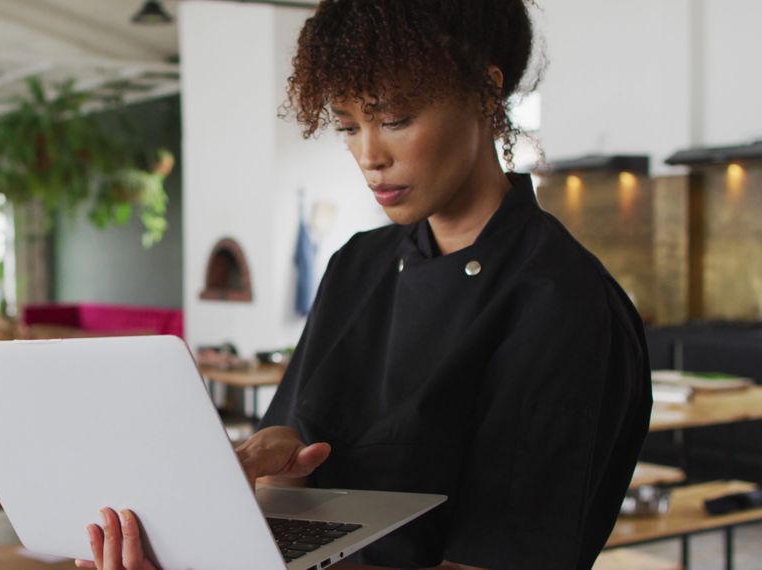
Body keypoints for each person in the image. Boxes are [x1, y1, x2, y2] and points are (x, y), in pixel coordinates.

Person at [78, 1, 651, 569]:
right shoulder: (358, 265)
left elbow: (501, 554)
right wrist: (268, 460)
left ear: (485, 90)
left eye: (395, 120)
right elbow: (288, 474)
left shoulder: (560, 302)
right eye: (348, 126)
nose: (369, 156)